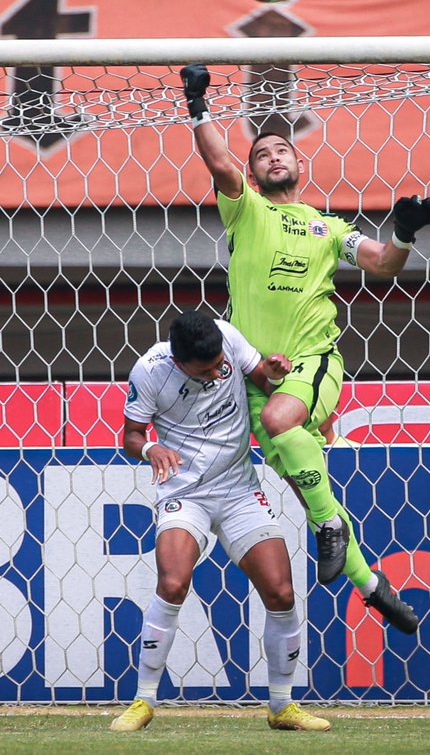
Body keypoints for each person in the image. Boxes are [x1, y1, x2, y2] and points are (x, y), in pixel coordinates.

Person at [180, 63, 430, 633]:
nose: (274, 157)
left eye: (283, 150)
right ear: (253, 173)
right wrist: (198, 107)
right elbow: (220, 163)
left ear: (300, 164)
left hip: (312, 362)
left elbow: (382, 263)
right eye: (263, 154)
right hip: (251, 375)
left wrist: (403, 231)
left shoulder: (328, 229)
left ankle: (333, 532)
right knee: (309, 496)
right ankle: (372, 587)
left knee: (284, 426)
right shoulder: (246, 210)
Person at [111, 310, 331, 733]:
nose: (217, 373)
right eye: (206, 370)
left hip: (238, 489)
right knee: (173, 583)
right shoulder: (150, 371)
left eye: (219, 366)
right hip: (183, 491)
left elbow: (265, 382)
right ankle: (143, 700)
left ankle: (282, 707)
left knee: (282, 592)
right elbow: (131, 435)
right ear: (179, 362)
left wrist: (276, 373)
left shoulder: (227, 337)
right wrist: (149, 450)